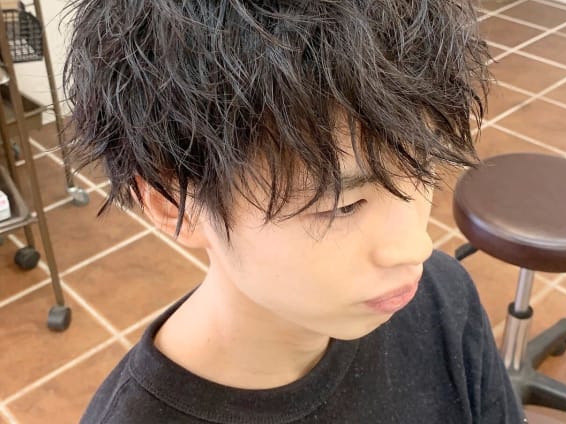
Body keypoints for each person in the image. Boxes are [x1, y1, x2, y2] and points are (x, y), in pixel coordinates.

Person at [64, 0, 526, 422]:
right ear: (175, 204)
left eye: (422, 171)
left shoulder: (444, 297)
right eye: (344, 206)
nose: (415, 247)